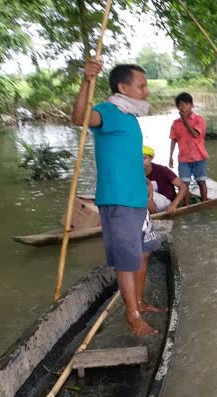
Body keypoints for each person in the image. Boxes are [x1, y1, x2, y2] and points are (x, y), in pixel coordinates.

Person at [71, 60, 162, 336]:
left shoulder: (131, 117)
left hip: (136, 198)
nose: (146, 91)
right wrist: (87, 80)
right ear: (123, 87)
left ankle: (141, 302)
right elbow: (79, 118)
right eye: (141, 85)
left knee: (144, 252)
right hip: (118, 199)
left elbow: (127, 156)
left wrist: (145, 181)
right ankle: (132, 316)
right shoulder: (108, 111)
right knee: (127, 259)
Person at [168, 92, 209, 203]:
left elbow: (195, 134)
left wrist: (185, 120)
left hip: (199, 157)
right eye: (180, 105)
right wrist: (170, 156)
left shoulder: (199, 120)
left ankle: (204, 202)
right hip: (184, 158)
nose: (183, 107)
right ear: (177, 107)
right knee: (184, 184)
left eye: (186, 104)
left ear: (191, 105)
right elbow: (173, 140)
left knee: (201, 182)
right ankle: (186, 205)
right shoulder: (176, 123)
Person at [143, 145, 188, 214]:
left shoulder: (162, 170)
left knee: (142, 191)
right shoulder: (134, 172)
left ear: (151, 158)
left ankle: (155, 217)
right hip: (150, 201)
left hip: (166, 202)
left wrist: (174, 205)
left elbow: (183, 187)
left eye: (143, 158)